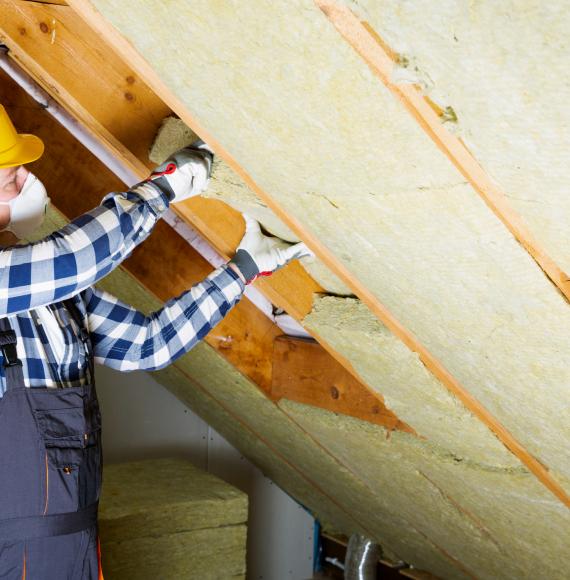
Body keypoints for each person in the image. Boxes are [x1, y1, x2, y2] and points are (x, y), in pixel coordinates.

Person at [0, 104, 310, 579]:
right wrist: (165, 186)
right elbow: (75, 259)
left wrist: (243, 270)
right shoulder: (45, 275)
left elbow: (148, 343)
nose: (25, 179)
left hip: (75, 542)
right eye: (9, 170)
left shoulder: (51, 294)